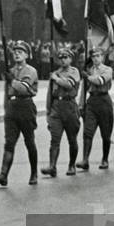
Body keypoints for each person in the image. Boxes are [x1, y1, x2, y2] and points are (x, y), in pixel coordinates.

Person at [0, 42, 39, 186]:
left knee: (29, 141)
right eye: (15, 51)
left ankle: (34, 173)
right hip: (12, 108)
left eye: (21, 51)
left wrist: (12, 80)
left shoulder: (31, 71)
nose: (17, 54)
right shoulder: (10, 70)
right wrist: (6, 109)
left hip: (26, 106)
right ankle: (3, 175)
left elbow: (24, 89)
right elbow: (7, 92)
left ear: (27, 55)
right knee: (9, 143)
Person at [42, 46, 81, 176]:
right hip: (56, 107)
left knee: (72, 139)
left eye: (66, 57)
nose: (63, 60)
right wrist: (48, 111)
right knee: (55, 139)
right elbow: (49, 94)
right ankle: (52, 166)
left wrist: (56, 79)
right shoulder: (55, 72)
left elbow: (69, 85)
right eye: (61, 57)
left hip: (69, 106)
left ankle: (71, 165)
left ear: (71, 59)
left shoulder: (74, 72)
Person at [79, 47, 114, 170]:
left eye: (98, 56)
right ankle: (85, 160)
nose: (95, 58)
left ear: (102, 57)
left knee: (105, 133)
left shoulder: (107, 69)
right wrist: (81, 105)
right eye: (93, 56)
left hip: (104, 101)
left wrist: (88, 77)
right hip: (92, 101)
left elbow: (100, 81)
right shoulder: (89, 70)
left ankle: (105, 159)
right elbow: (84, 89)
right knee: (87, 132)